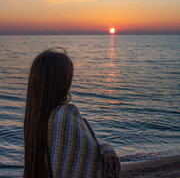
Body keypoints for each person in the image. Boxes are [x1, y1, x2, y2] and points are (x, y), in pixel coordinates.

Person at [24, 48, 121, 178]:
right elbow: (88, 159)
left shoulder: (36, 119)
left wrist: (104, 146)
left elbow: (88, 145)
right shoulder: (64, 116)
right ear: (61, 82)